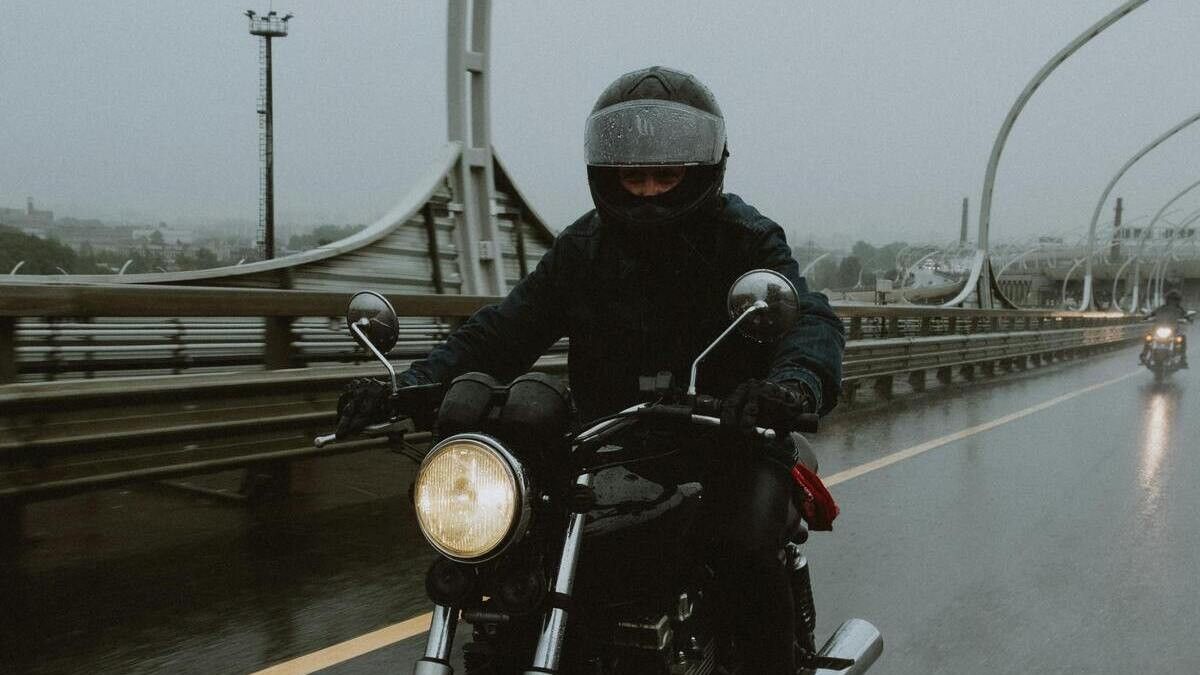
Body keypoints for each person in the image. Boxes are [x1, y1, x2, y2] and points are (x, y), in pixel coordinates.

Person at [338, 66, 845, 674]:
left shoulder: (744, 238)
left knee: (742, 547)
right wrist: (407, 385)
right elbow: (505, 330)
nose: (649, 191)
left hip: (729, 436)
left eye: (667, 175)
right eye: (634, 176)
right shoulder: (583, 250)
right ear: (607, 176)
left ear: (703, 171)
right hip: (603, 446)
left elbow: (808, 315)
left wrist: (790, 385)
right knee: (521, 557)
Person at [1141, 289, 1190, 367]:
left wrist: (1188, 318)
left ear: (1178, 301)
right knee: (1148, 336)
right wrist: (1146, 316)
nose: (1172, 301)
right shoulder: (1161, 308)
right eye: (1170, 299)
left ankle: (1183, 358)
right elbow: (1152, 313)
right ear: (1167, 300)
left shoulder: (1180, 309)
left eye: (1175, 300)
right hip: (1159, 329)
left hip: (1173, 330)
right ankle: (1143, 355)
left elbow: (1186, 316)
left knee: (1182, 337)